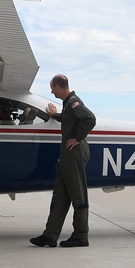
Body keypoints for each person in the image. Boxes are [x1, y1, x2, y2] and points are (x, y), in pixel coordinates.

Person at [30, 74, 97, 248]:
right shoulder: (68, 105)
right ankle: (50, 236)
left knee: (78, 194)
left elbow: (89, 119)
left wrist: (77, 138)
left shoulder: (74, 102)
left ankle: (81, 235)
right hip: (68, 154)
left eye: (52, 88)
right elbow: (70, 119)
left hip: (73, 152)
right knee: (59, 196)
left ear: (59, 87)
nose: (51, 91)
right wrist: (55, 115)